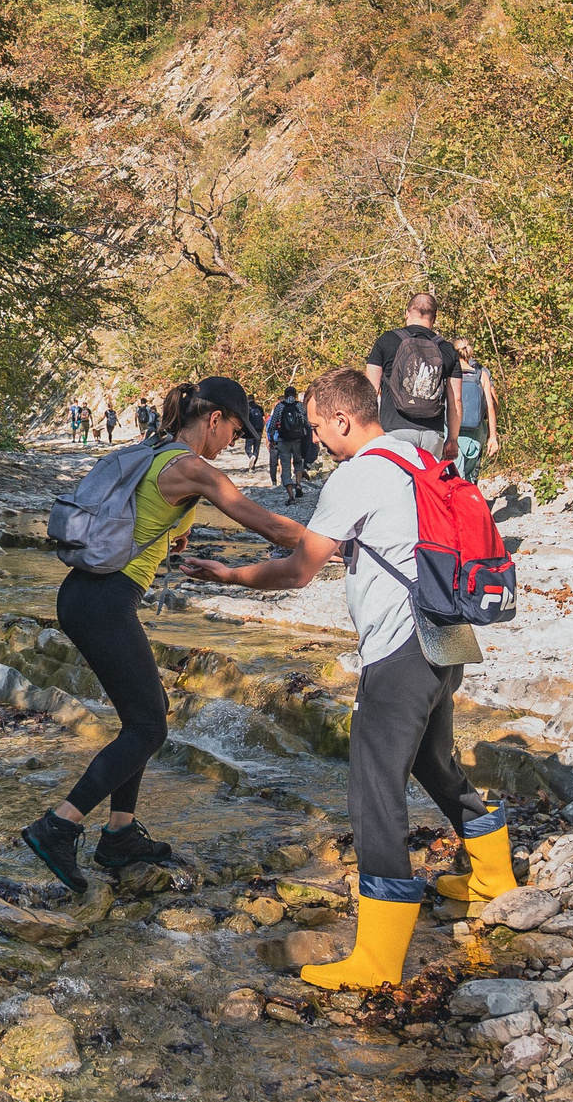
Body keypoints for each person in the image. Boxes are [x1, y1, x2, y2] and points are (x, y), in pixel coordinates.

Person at [181, 368, 510, 984]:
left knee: (373, 788)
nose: (316, 440)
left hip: (400, 647)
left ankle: (379, 961)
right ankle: (493, 875)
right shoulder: (419, 455)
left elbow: (299, 571)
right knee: (434, 761)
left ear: (342, 419)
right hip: (448, 635)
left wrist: (226, 576)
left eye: (316, 428)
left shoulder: (356, 474)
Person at [19, 376, 309, 892]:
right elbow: (265, 524)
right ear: (214, 418)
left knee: (144, 718)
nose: (232, 444)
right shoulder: (193, 468)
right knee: (149, 729)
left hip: (86, 595)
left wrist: (174, 548)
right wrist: (330, 542)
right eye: (235, 431)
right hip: (103, 604)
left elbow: (143, 525)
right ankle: (59, 825)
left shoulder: (155, 452)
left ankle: (120, 834)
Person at [364, 292, 463, 457]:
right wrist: (453, 439)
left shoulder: (386, 341)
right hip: (432, 434)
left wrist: (368, 432)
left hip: (394, 430)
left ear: (407, 313)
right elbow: (456, 400)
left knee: (396, 482)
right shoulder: (447, 349)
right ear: (434, 318)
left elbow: (370, 391)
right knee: (426, 483)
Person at [453, 338, 499, 482]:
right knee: (471, 476)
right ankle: (471, 502)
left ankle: (456, 503)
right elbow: (491, 408)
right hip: (476, 430)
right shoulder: (481, 374)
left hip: (454, 431)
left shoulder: (450, 373)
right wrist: (493, 437)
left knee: (454, 476)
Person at [267, 386, 310, 499]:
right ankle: (299, 484)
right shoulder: (299, 406)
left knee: (285, 467)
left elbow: (272, 425)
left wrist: (271, 439)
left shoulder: (280, 407)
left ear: (285, 395)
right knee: (298, 462)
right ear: (295, 395)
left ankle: (291, 496)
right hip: (297, 439)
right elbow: (306, 423)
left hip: (283, 440)